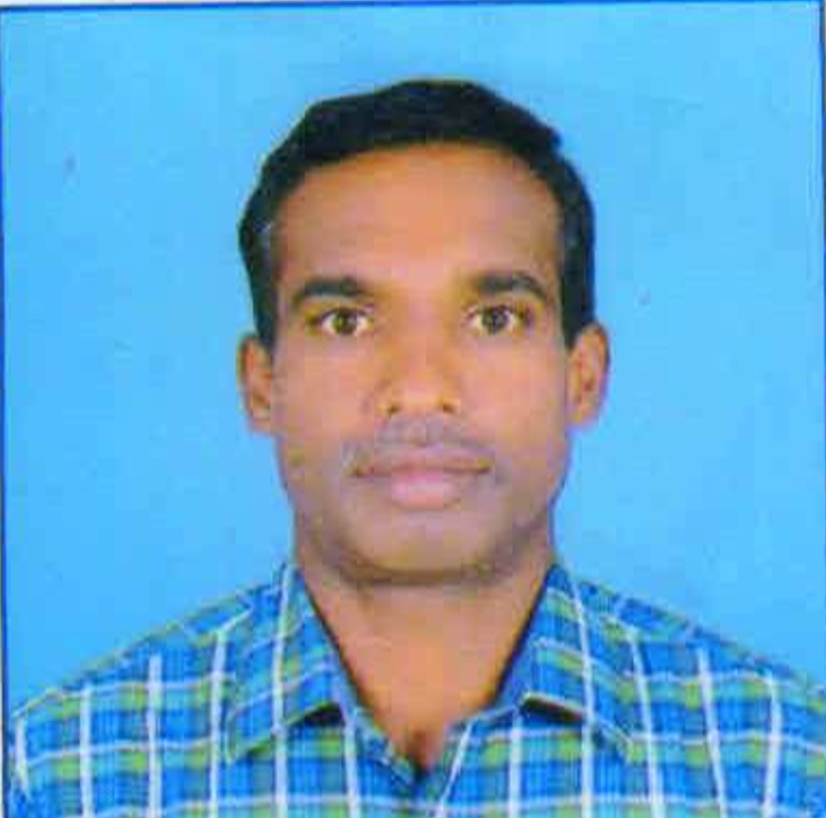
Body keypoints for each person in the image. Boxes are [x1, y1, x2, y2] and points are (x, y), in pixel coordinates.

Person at [8, 79, 825, 817]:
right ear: (262, 386)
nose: (421, 388)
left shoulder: (785, 768)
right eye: (346, 322)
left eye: (494, 319)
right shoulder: (59, 774)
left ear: (583, 376)